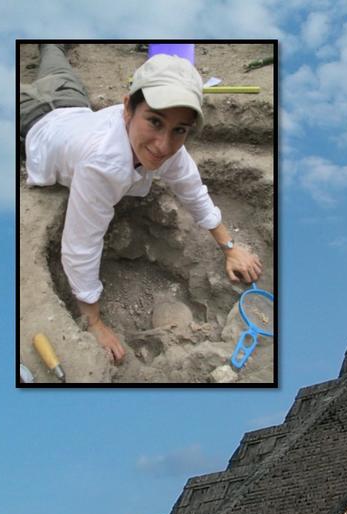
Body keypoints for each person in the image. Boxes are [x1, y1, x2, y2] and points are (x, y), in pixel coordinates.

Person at [20, 45, 263, 364]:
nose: (164, 145)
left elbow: (191, 188)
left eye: (179, 130)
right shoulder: (102, 165)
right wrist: (94, 322)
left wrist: (230, 247)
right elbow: (81, 247)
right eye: (155, 122)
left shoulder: (169, 148)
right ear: (126, 109)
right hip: (31, 118)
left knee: (53, 55)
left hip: (70, 100)